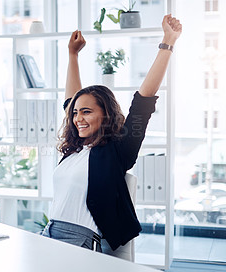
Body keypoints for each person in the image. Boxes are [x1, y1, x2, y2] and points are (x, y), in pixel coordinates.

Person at [41, 14, 182, 254]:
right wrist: (72, 56)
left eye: (86, 112)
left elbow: (143, 101)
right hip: (48, 232)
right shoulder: (76, 148)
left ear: (105, 114)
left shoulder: (117, 150)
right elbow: (70, 100)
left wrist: (168, 42)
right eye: (75, 113)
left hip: (79, 242)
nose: (77, 118)